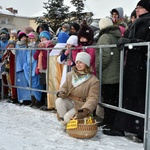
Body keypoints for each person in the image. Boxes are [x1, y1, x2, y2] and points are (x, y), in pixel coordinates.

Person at [103, 0, 150, 142]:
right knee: (130, 96)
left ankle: (140, 129)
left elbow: (144, 42)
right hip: (133, 64)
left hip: (141, 64)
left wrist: (129, 42)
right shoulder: (138, 21)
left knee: (139, 97)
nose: (137, 9)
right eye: (136, 7)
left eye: (140, 7)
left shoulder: (147, 22)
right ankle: (123, 126)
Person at [55, 52, 100, 128]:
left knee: (67, 117)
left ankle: (68, 121)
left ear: (86, 64)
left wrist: (86, 109)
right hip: (70, 101)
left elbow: (93, 98)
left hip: (81, 106)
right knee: (59, 101)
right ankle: (66, 123)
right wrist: (61, 92)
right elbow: (64, 87)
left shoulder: (93, 80)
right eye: (77, 62)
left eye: (81, 62)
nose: (78, 65)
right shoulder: (70, 75)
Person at [97, 17, 121, 129]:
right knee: (113, 99)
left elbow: (105, 56)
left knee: (108, 99)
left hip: (107, 73)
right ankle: (110, 121)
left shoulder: (104, 37)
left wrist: (98, 67)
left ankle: (110, 122)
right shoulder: (116, 36)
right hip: (117, 72)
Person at [46, 31, 69, 111]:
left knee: (52, 84)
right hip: (60, 72)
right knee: (59, 84)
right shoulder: (63, 48)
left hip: (52, 73)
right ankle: (58, 104)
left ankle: (52, 103)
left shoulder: (54, 49)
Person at [33, 30, 54, 109]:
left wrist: (43, 49)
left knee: (48, 86)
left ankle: (47, 103)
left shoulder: (50, 45)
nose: (42, 39)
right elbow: (35, 57)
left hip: (48, 68)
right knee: (43, 85)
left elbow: (48, 56)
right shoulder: (40, 46)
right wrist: (39, 49)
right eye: (41, 38)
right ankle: (42, 102)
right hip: (41, 69)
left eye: (44, 37)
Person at [23, 32, 43, 108]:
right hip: (28, 68)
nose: (31, 40)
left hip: (34, 67)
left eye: (33, 38)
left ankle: (38, 100)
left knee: (36, 84)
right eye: (30, 38)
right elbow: (26, 58)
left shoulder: (37, 46)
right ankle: (33, 100)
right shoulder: (27, 47)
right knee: (30, 84)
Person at [15, 31, 31, 105]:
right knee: (20, 83)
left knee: (26, 83)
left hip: (25, 67)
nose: (24, 38)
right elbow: (17, 57)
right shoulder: (17, 46)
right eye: (22, 37)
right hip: (19, 67)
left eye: (25, 37)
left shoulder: (27, 46)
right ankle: (21, 98)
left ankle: (27, 98)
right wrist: (19, 66)